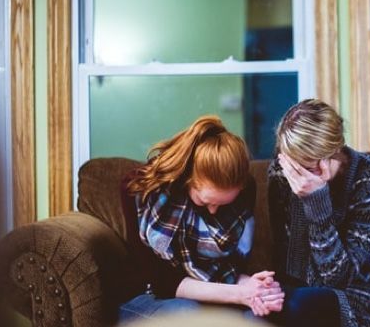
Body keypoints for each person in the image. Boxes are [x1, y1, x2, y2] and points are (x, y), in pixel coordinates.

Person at [119, 115, 284, 323]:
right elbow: (162, 282)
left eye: (223, 204)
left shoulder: (245, 191)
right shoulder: (139, 190)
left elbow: (231, 269)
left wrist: (256, 287)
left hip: (211, 293)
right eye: (205, 202)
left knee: (259, 317)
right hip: (149, 294)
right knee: (190, 314)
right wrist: (241, 294)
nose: (214, 212)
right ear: (188, 180)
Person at [267, 99, 370, 326]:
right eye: (293, 164)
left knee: (297, 306)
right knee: (264, 308)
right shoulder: (282, 173)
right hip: (308, 290)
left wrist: (317, 204)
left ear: (333, 152)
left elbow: (338, 278)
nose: (297, 176)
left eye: (307, 168)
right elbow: (288, 262)